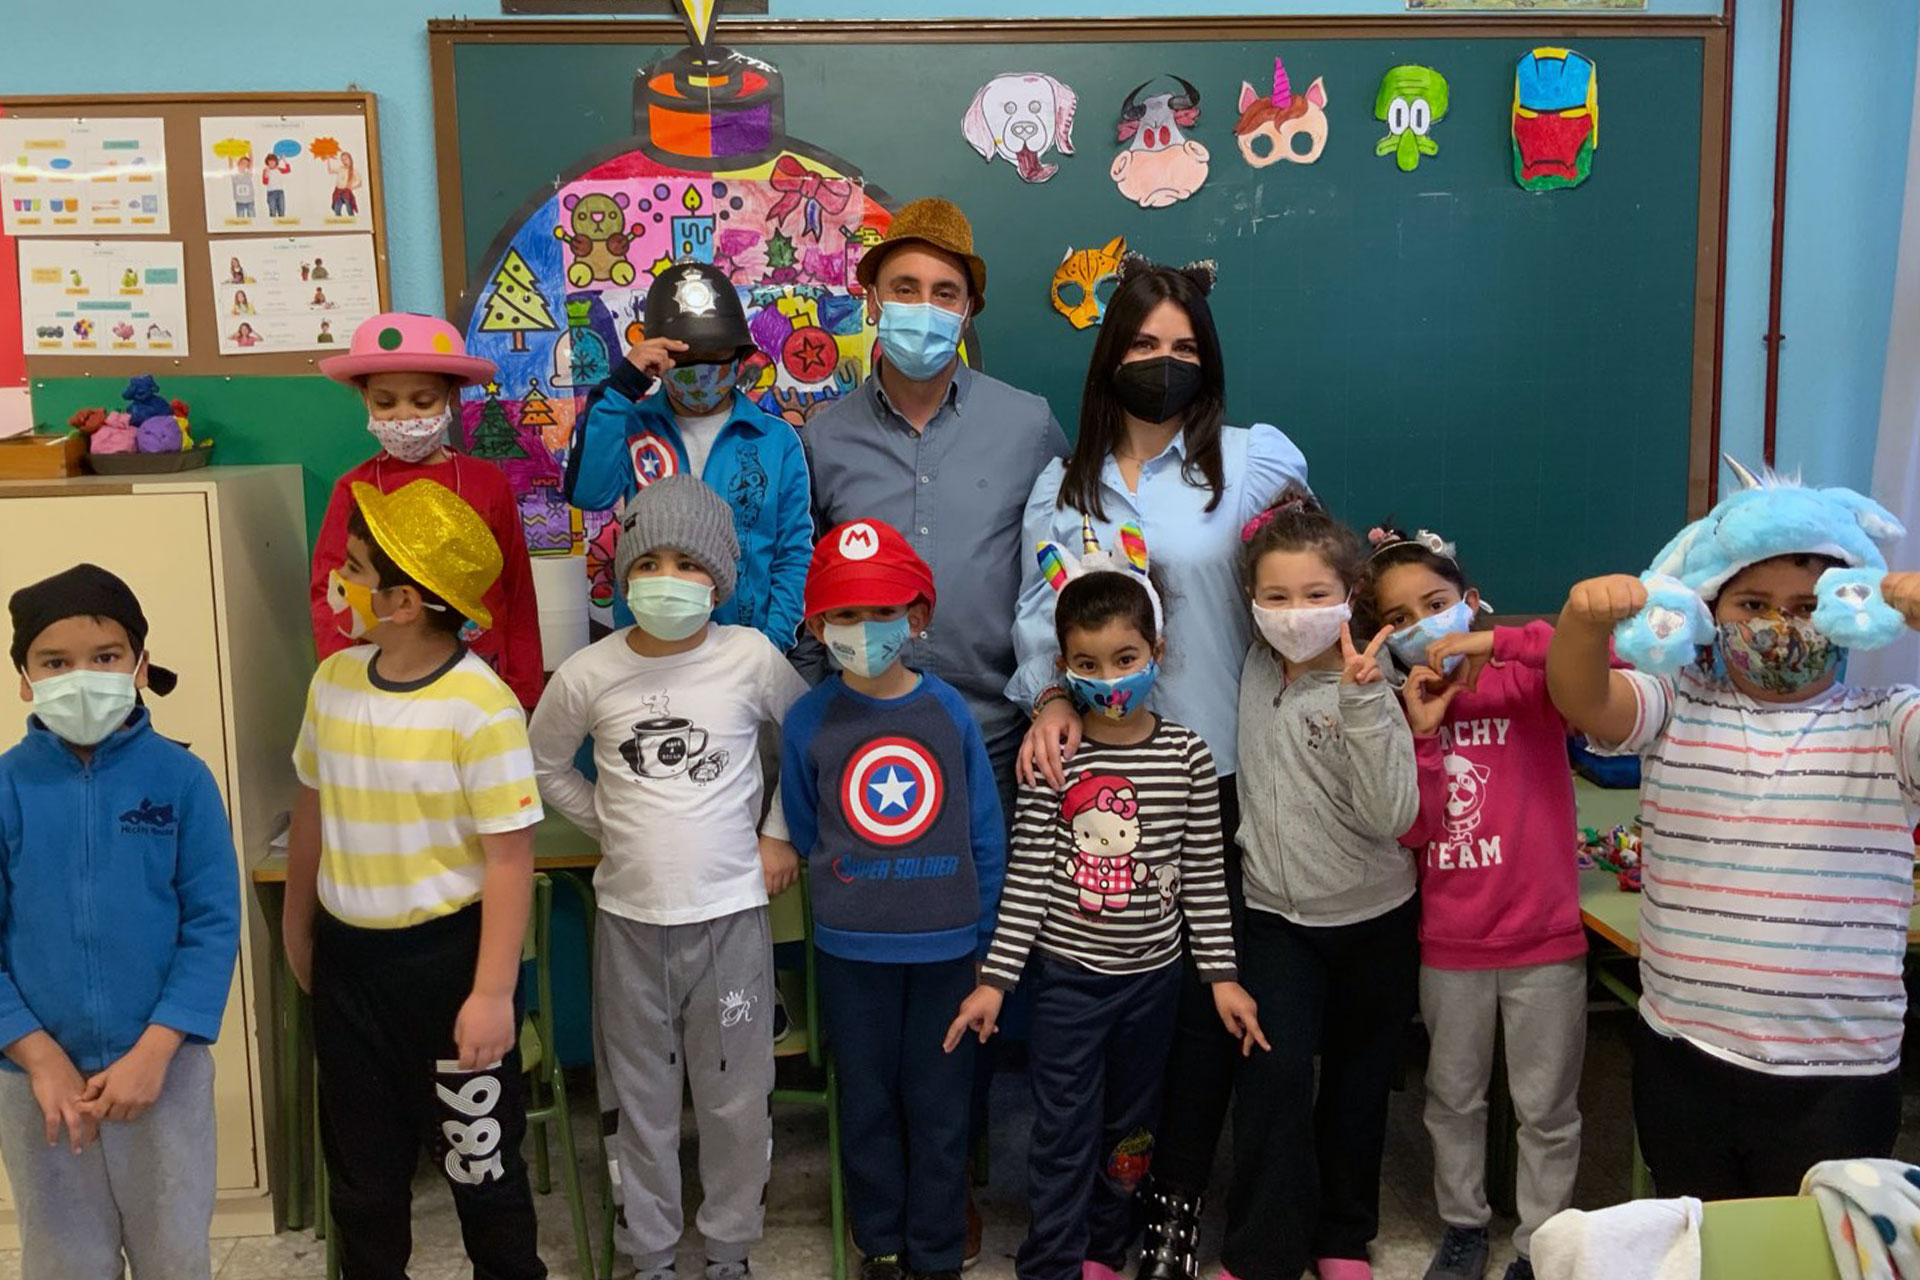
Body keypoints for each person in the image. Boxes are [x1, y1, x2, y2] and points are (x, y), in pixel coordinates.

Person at [1004, 259, 1309, 1280]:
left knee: (1201, 997)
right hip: (1101, 776)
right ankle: (1099, 1211)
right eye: (1144, 345)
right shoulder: (1066, 481)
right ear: (1112, 354)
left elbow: (1307, 587)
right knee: (1105, 1000)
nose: (1164, 363)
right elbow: (1035, 614)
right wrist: (1050, 694)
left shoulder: (1252, 461)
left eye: (1184, 347)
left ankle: (1172, 1193)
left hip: (1218, 765)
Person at [1546, 461, 1920, 1200]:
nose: (1781, 626)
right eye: (1753, 603)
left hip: (1838, 1071)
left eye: (1810, 605)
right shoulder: (1678, 702)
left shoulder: (1889, 717)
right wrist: (1583, 624)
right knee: (1703, 1235)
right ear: (1710, 610)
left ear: (1856, 610)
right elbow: (1584, 699)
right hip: (1686, 1051)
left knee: (1812, 1251)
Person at [946, 524, 1265, 1280]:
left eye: (1126, 659)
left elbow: (1202, 876)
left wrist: (1220, 975)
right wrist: (996, 979)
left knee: (1129, 1131)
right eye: (1088, 665)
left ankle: (1104, 1248)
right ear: (1063, 668)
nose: (1109, 677)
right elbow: (1027, 876)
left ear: (1158, 654)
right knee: (1062, 1128)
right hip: (1067, 983)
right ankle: (1052, 1260)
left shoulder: (1188, 755)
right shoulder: (1055, 757)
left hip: (1154, 985)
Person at [529, 476, 806, 1280]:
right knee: (639, 1102)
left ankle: (728, 1250)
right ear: (623, 574)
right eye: (650, 560)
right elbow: (544, 763)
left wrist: (778, 835)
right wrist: (608, 821)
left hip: (729, 923)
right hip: (629, 923)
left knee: (732, 1098)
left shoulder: (750, 658)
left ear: (718, 577)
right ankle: (646, 1253)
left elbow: (811, 745)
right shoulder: (589, 672)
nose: (667, 578)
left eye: (688, 563)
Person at [285, 478, 546, 1280]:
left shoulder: (481, 707)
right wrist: (301, 926)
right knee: (363, 1182)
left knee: (482, 1172)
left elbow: (510, 858)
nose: (338, 583)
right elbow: (311, 809)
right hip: (349, 965)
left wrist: (493, 993)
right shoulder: (333, 685)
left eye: (354, 571)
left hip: (449, 969)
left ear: (403, 602)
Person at [0, 565, 240, 1280]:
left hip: (162, 1074)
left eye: (104, 657)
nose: (82, 675)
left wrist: (157, 1049)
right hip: (38, 1082)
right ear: (24, 678)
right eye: (55, 661)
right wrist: (37, 1055)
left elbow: (211, 923)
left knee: (174, 1254)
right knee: (65, 1259)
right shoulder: (7, 787)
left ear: (138, 665)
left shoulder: (181, 781)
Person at [1357, 526, 1584, 1280]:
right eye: (1401, 617)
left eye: (1438, 603)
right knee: (1452, 1099)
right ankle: (1462, 1225)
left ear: (1470, 603)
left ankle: (1542, 1240)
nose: (1424, 622)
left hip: (1544, 938)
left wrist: (1503, 644)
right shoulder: (1401, 707)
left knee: (1547, 1108)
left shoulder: (1528, 683)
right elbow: (1414, 826)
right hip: (1451, 942)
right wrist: (1422, 737)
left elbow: (1602, 660)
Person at [782, 519, 1005, 1280]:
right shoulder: (809, 720)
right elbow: (812, 826)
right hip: (853, 952)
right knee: (868, 1103)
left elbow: (984, 834)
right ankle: (879, 1241)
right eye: (845, 615)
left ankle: (938, 1249)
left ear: (916, 617)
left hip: (949, 952)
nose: (865, 630)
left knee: (941, 1109)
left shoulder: (948, 715)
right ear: (817, 625)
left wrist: (988, 954)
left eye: (883, 612)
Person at [801, 197, 1068, 814]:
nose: (925, 308)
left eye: (945, 293)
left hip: (1002, 741)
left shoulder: (1028, 425)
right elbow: (807, 586)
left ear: (968, 309)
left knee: (1006, 910)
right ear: (872, 300)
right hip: (860, 732)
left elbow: (1063, 572)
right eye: (905, 288)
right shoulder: (825, 437)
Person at [1224, 488, 1426, 1280]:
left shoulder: (1373, 685)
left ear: (1350, 599)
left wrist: (1365, 704)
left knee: (1358, 1083)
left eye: (1316, 595)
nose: (1295, 611)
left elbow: (1393, 815)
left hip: (1375, 918)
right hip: (1276, 919)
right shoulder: (1249, 665)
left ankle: (1343, 1236)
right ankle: (1262, 1248)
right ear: (1252, 603)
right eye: (1276, 596)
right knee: (1272, 1083)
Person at [565, 261, 813, 647]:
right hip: (646, 643)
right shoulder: (631, 426)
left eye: (715, 351)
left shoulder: (775, 440)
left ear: (739, 356)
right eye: (684, 354)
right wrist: (621, 386)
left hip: (744, 646)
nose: (700, 368)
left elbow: (792, 553)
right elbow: (588, 494)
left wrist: (772, 643)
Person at [313, 312, 544, 711]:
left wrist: (523, 691)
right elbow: (329, 591)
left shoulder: (487, 483)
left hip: (479, 678)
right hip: (382, 680)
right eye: (385, 402)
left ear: (451, 397)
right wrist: (343, 681)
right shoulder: (355, 487)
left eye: (423, 401)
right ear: (366, 398)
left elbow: (516, 589)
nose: (404, 415)